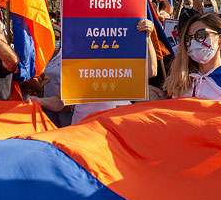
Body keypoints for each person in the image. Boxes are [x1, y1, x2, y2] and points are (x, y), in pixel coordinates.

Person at [29, 18, 158, 124]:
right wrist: (38, 101)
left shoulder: (121, 61)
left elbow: (152, 71)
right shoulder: (75, 64)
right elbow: (59, 102)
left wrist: (147, 36)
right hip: (83, 128)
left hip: (117, 128)